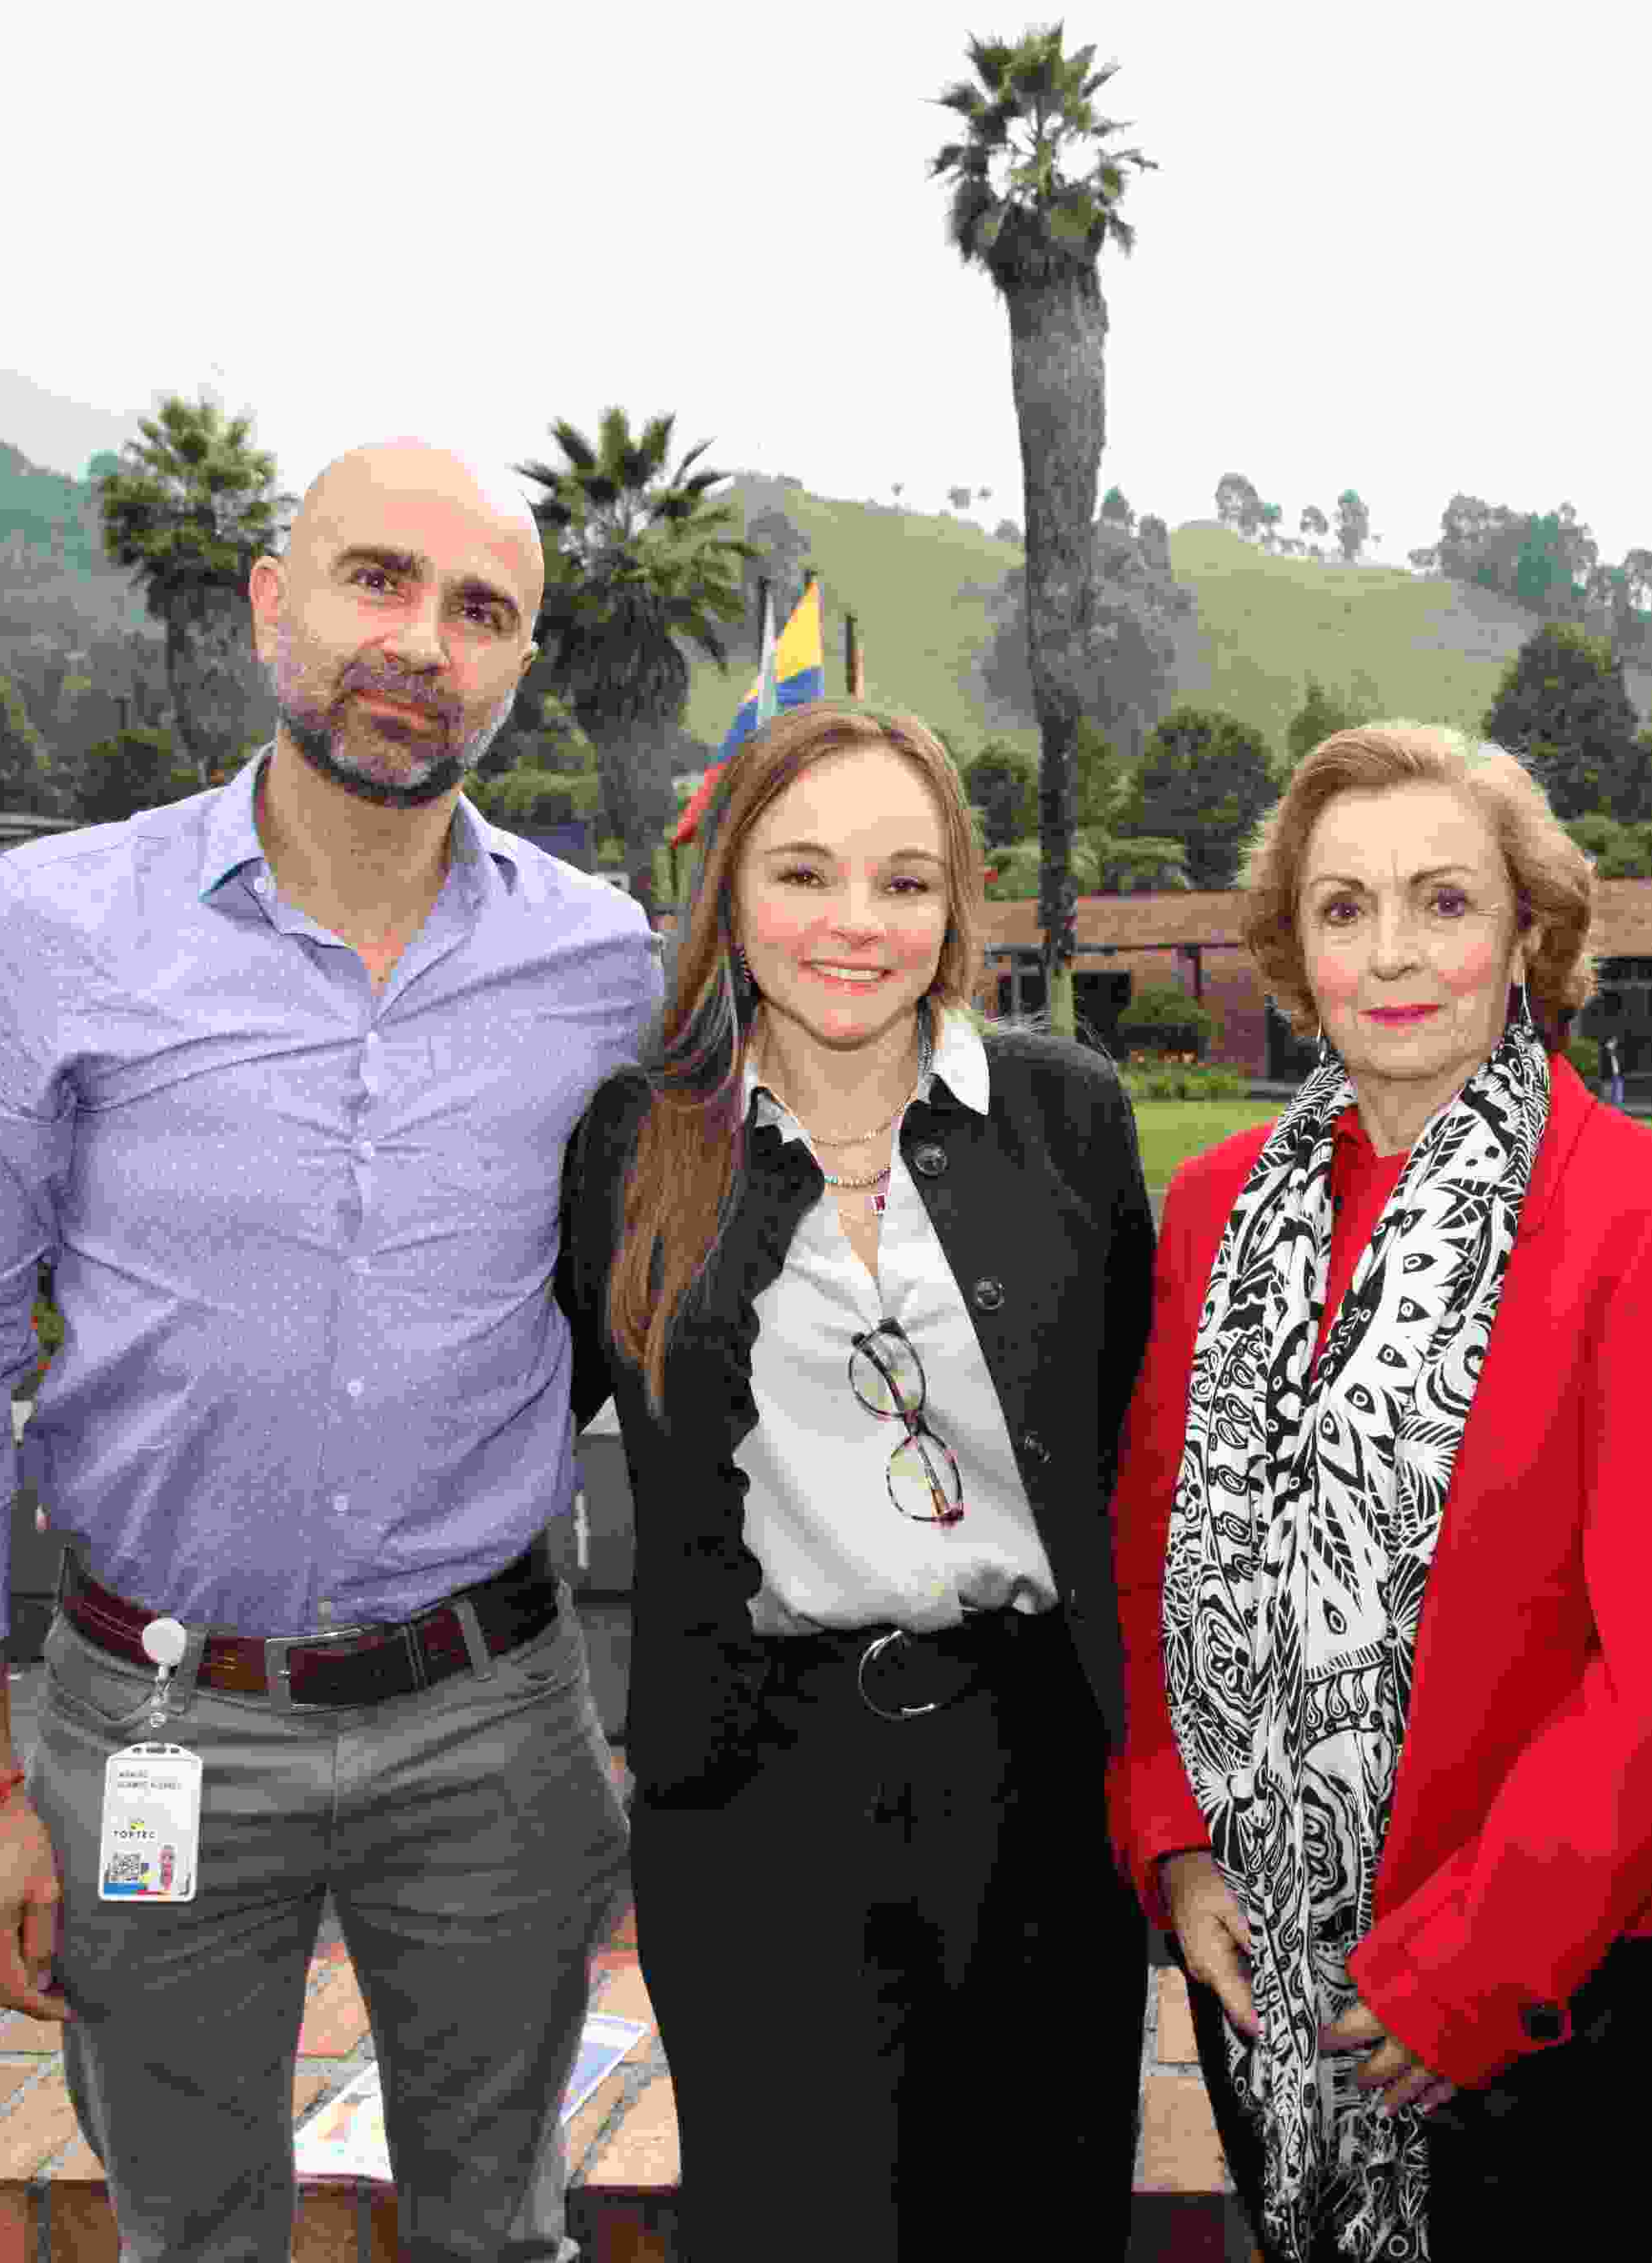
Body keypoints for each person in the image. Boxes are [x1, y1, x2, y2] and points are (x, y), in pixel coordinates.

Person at [0, 438, 662, 2260]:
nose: (422, 645)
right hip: (154, 1722)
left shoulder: (603, 968)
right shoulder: (45, 937)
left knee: (501, 2231)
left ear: (519, 667)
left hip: (492, 1728)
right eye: (377, 581)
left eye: (480, 611)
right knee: (193, 2234)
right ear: (266, 603)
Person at [1113, 723, 1652, 2260]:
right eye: (1345, 909)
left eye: (1444, 901)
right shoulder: (1223, 1209)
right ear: (1297, 951)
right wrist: (1175, 1829)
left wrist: (1471, 1967)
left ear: (1527, 934)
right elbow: (1155, 1541)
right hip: (1271, 1955)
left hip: (1548, 1979)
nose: (1395, 955)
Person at [554, 700, 1157, 2258]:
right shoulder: (635, 1144)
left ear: (956, 902)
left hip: (1032, 1768)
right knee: (792, 2222)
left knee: (1035, 2214)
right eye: (804, 874)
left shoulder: (1063, 1113)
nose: (853, 925)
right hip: (754, 1793)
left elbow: (1138, 1452)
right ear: (730, 895)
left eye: (904, 880)